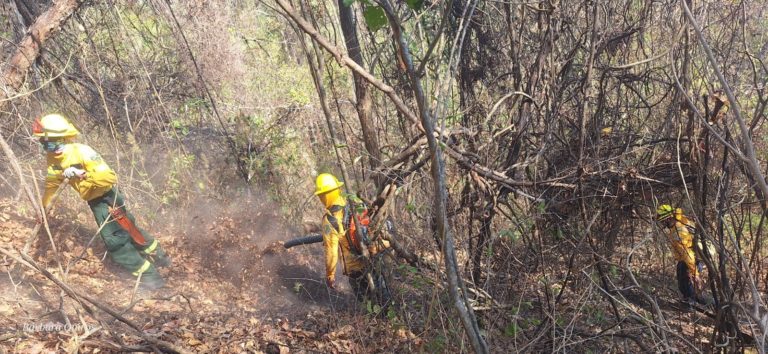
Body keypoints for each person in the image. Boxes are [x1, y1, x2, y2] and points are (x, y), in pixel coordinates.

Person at [33, 113, 170, 290]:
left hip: (105, 198)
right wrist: (44, 208)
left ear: (60, 137)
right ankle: (162, 257)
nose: (45, 145)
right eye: (43, 142)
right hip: (94, 201)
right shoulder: (52, 158)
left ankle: (151, 279)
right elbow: (52, 184)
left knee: (116, 242)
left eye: (47, 141)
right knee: (129, 229)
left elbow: (109, 177)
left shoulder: (82, 151)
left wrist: (81, 174)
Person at [314, 173, 389, 302]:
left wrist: (330, 274)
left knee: (367, 304)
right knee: (385, 298)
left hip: (355, 269)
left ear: (323, 196)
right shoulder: (355, 201)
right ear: (338, 189)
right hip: (372, 257)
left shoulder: (329, 220)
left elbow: (331, 253)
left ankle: (375, 320)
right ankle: (391, 319)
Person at [656, 204, 707, 305]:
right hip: (689, 258)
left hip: (691, 258)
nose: (662, 223)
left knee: (685, 282)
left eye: (663, 220)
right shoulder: (679, 222)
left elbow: (687, 253)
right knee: (682, 279)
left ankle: (691, 302)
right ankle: (696, 300)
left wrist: (695, 272)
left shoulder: (679, 232)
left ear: (668, 219)